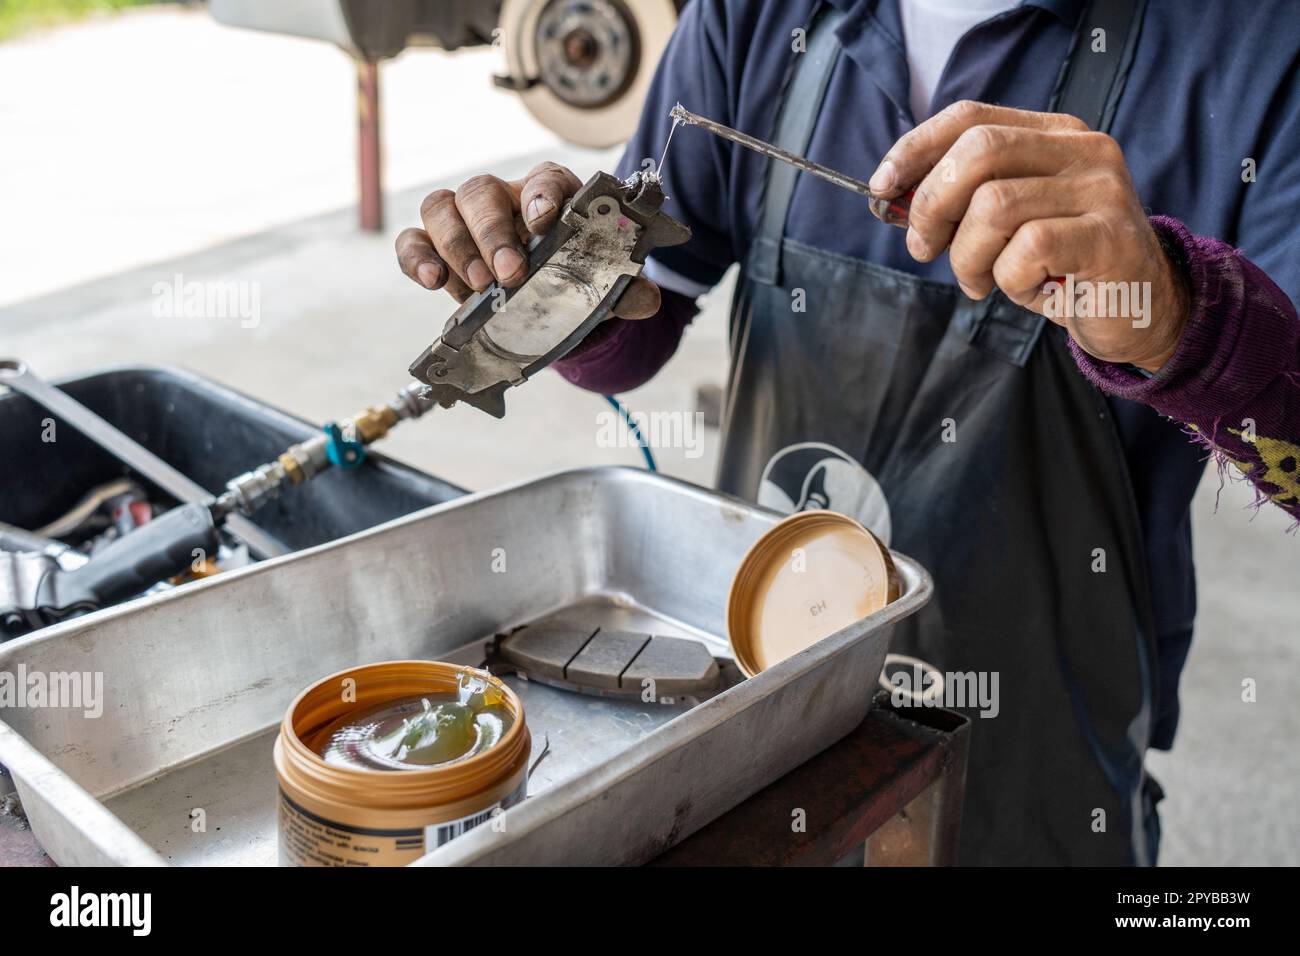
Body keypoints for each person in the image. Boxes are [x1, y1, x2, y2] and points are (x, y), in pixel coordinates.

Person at [395, 0, 1300, 864]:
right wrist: (559, 289)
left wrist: (1177, 311)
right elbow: (643, 321)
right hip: (767, 707)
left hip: (1044, 756)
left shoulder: (1255, 54)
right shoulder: (754, 17)